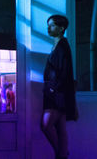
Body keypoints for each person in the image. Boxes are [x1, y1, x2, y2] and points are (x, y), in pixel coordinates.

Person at [41, 14, 77, 159]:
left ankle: (61, 153)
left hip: (56, 93)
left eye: (53, 25)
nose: (48, 28)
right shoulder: (57, 45)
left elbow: (65, 72)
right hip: (55, 92)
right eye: (48, 25)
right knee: (60, 127)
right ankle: (62, 154)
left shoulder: (62, 46)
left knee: (46, 125)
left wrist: (52, 89)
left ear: (61, 28)